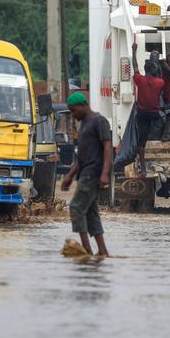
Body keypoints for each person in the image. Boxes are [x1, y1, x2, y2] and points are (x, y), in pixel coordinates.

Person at [60, 92, 112, 257]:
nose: (73, 116)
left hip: (93, 173)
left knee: (76, 207)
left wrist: (105, 173)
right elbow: (82, 157)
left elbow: (108, 147)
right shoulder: (84, 124)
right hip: (85, 172)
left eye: (74, 111)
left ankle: (87, 250)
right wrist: (69, 175)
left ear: (83, 106)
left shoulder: (99, 121)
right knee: (90, 212)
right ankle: (102, 251)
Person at [131, 42, 166, 176]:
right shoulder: (160, 83)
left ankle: (143, 167)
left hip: (142, 114)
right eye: (156, 68)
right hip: (154, 114)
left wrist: (134, 51)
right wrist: (158, 63)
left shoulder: (139, 79)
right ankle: (166, 134)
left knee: (142, 141)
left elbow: (135, 66)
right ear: (153, 70)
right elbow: (160, 77)